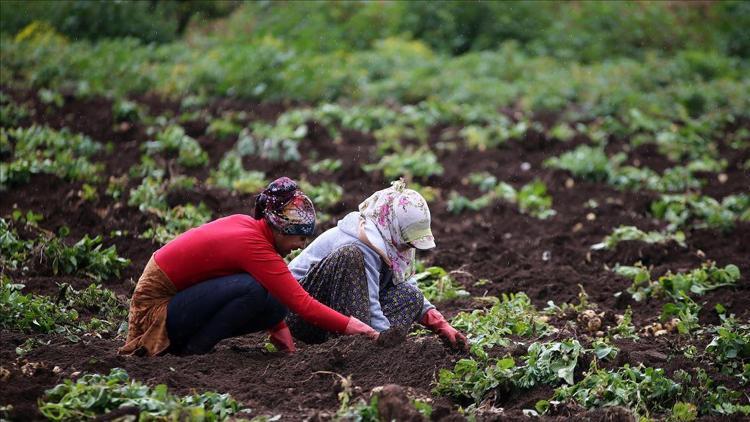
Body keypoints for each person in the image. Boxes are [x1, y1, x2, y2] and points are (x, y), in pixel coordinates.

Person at [119, 177, 378, 356]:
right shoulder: (253, 244)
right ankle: (192, 351)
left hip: (181, 300)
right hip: (155, 309)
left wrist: (281, 332)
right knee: (253, 290)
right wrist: (358, 327)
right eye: (299, 237)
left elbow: (283, 298)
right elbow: (303, 304)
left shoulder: (252, 231)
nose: (301, 245)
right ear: (279, 229)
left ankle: (191, 345)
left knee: (273, 298)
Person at [287, 180, 467, 349]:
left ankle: (360, 344)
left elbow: (405, 283)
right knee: (350, 255)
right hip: (299, 315)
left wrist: (441, 324)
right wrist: (384, 342)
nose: (410, 246)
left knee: (411, 296)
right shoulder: (361, 243)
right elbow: (370, 303)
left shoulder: (392, 238)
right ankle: (355, 347)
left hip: (339, 317)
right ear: (394, 226)